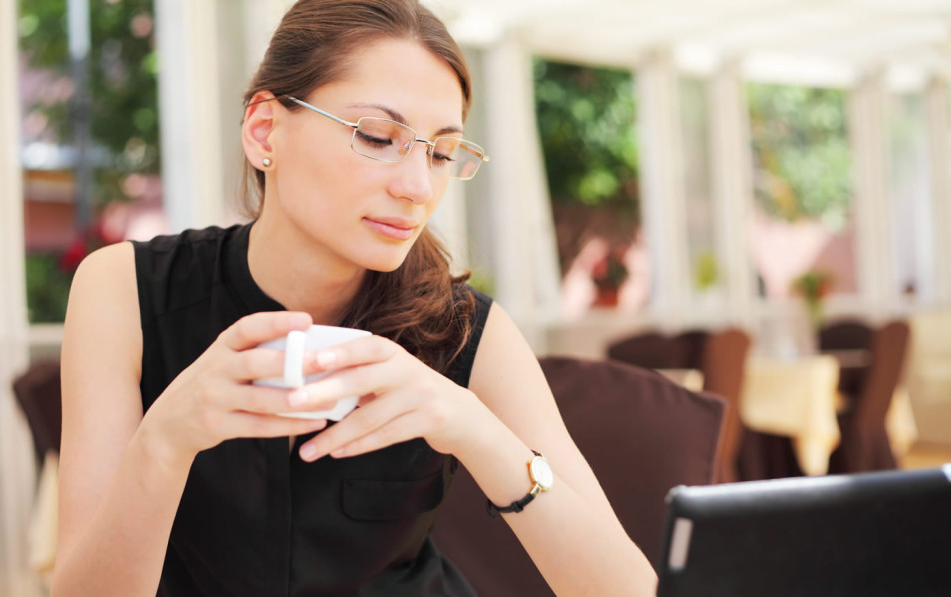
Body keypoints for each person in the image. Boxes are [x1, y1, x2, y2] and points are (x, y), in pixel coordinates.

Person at [52, 0, 657, 595]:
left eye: (442, 152)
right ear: (265, 130)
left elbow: (630, 590)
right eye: (376, 136)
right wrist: (165, 440)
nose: (418, 187)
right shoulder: (125, 291)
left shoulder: (466, 330)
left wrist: (472, 427)